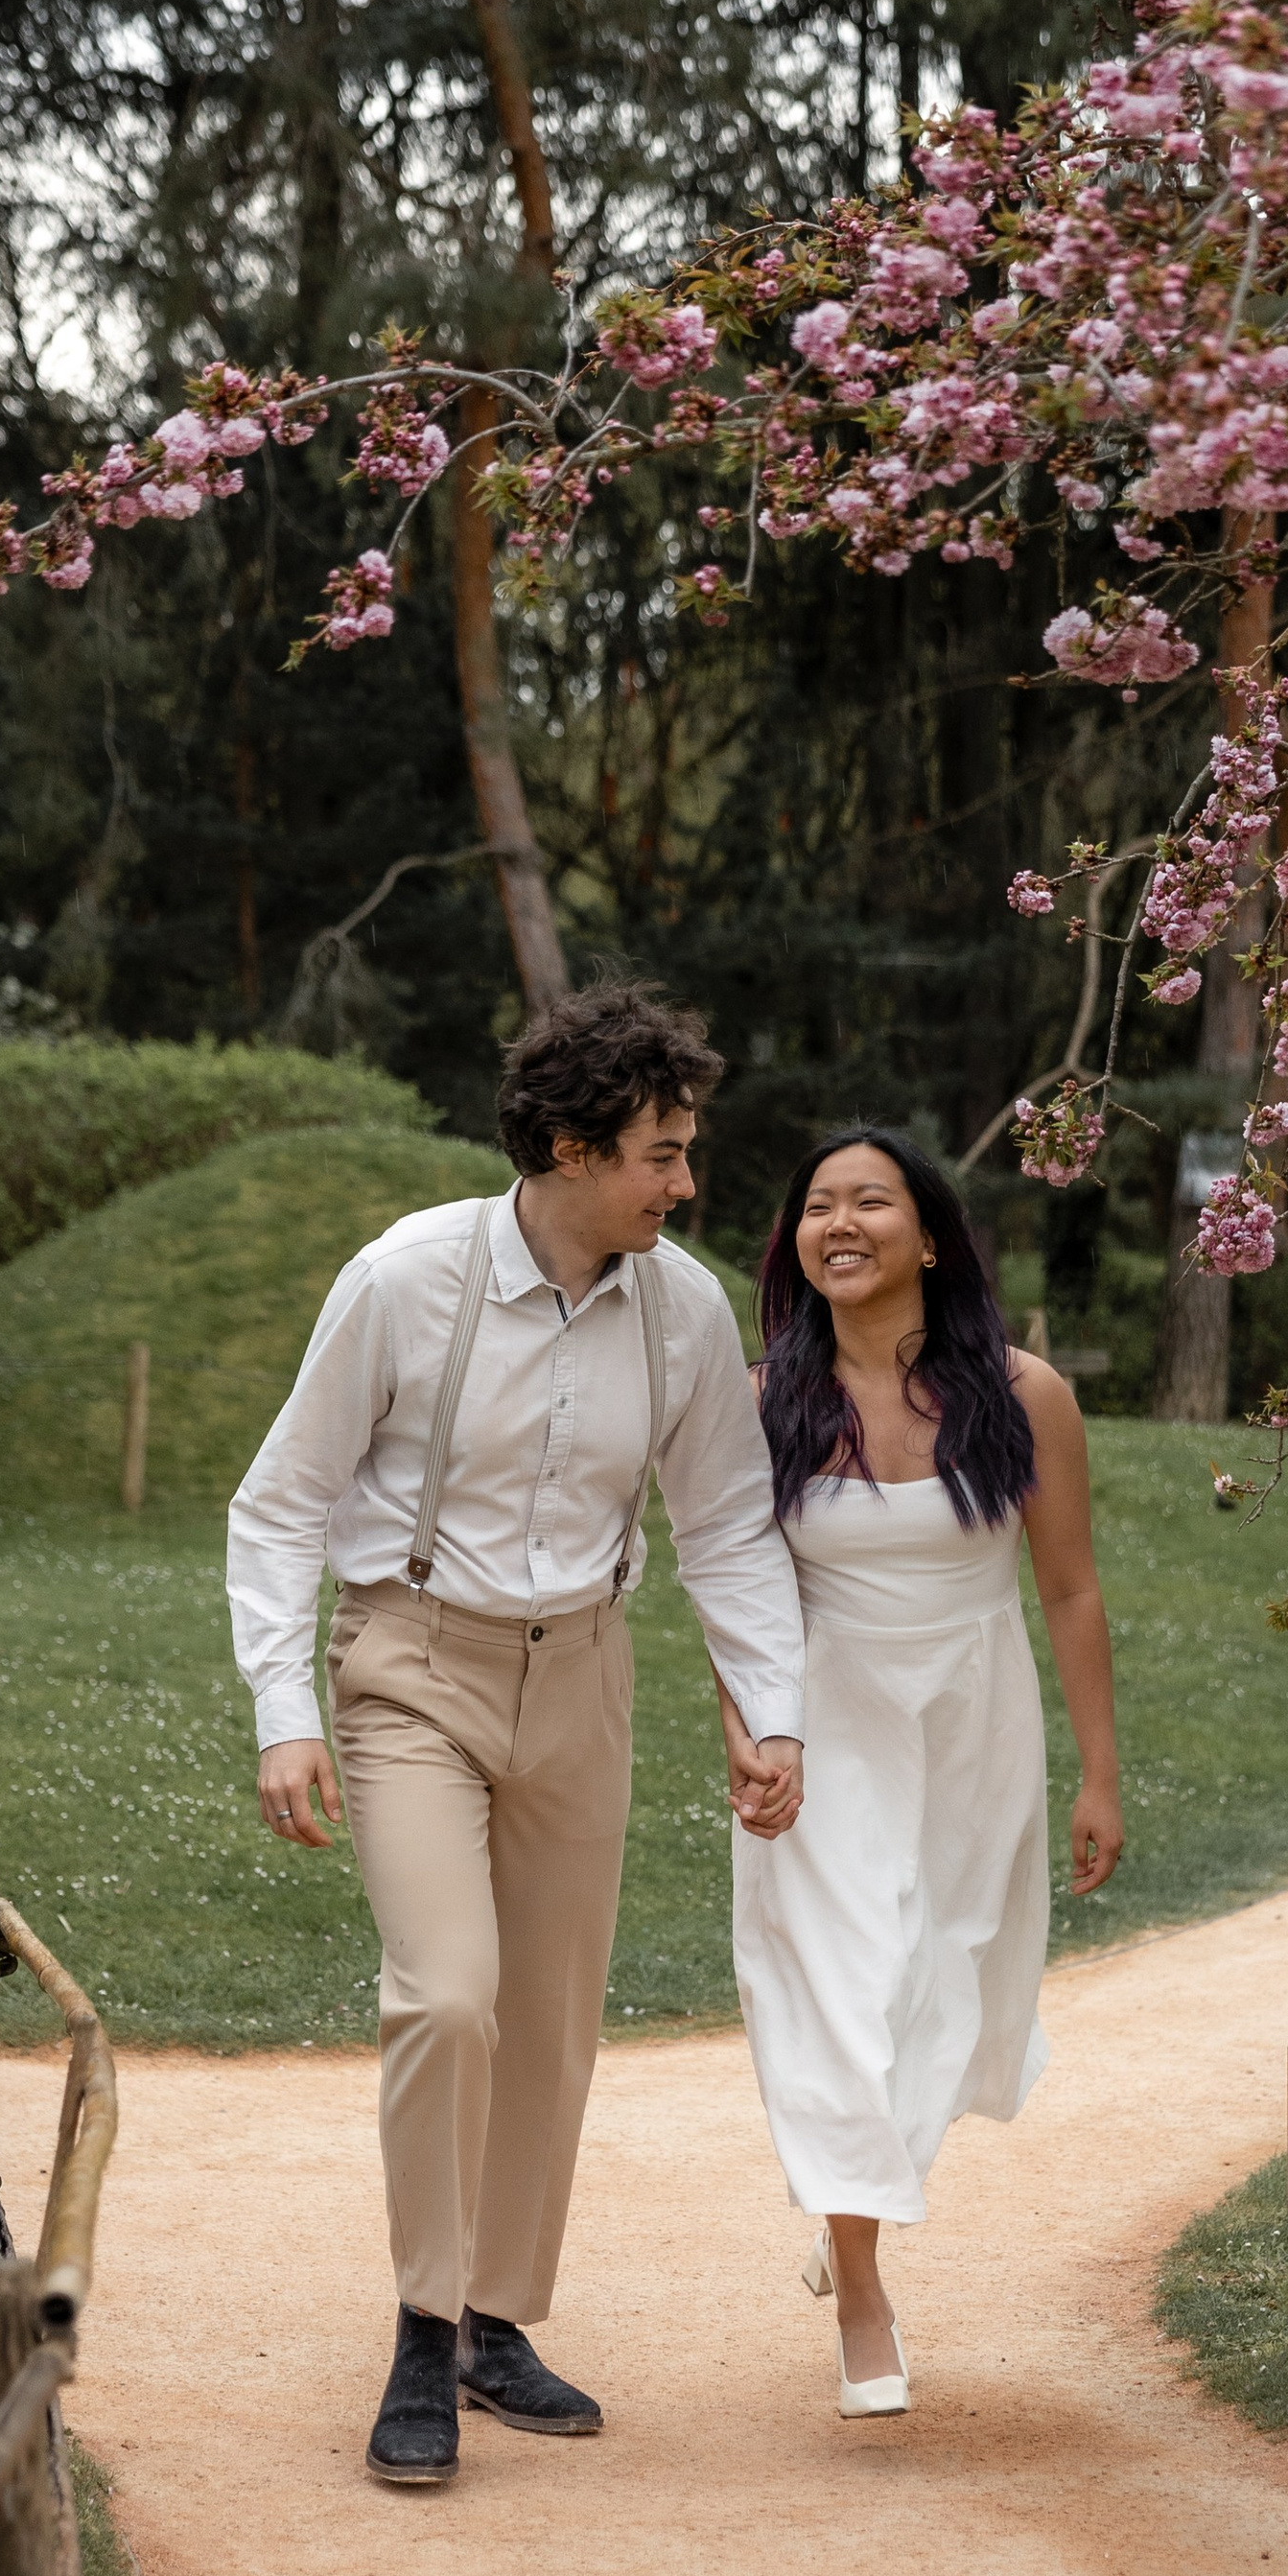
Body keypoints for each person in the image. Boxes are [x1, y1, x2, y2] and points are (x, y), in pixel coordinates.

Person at [227, 984, 806, 2490]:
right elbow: (282, 1502)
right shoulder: (405, 1280)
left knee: (548, 2022)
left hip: (586, 1677)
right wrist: (287, 1711)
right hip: (411, 1665)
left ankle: (495, 2320)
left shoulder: (682, 1308)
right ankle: (423, 2329)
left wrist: (773, 1717)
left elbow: (730, 1527)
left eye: (687, 1151)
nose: (687, 1184)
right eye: (662, 1154)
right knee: (449, 1998)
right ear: (567, 1145)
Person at [721, 1128, 1124, 2418]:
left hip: (973, 1717)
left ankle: (852, 2196)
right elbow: (740, 1596)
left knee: (939, 1984)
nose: (839, 1222)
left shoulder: (1024, 1395)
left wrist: (1098, 1776)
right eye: (817, 1205)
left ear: (930, 1236)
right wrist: (748, 1728)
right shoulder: (756, 1401)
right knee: (836, 1987)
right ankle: (861, 2289)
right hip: (821, 1724)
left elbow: (1069, 1589)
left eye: (870, 1202)